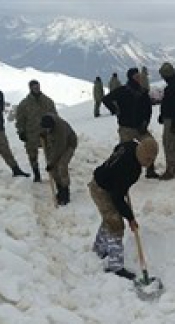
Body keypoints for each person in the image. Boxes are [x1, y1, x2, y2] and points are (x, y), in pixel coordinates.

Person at [89, 138, 159, 280]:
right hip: (100, 189)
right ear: (142, 153)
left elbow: (118, 147)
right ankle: (115, 266)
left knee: (109, 218)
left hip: (106, 183)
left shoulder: (131, 146)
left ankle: (99, 249)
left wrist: (119, 181)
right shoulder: (131, 169)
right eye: (148, 159)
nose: (150, 163)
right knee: (116, 224)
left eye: (153, 160)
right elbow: (117, 198)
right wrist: (130, 218)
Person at [102, 68, 159, 178]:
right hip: (126, 128)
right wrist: (115, 110)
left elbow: (148, 110)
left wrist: (145, 123)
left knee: (150, 145)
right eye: (136, 76)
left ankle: (150, 170)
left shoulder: (143, 92)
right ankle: (123, 172)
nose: (138, 78)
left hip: (140, 127)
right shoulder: (122, 91)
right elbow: (106, 99)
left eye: (139, 76)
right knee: (124, 151)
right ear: (131, 77)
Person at [15, 79, 57, 182]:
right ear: (30, 88)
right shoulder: (24, 104)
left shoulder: (48, 101)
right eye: (34, 87)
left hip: (46, 133)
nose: (36, 89)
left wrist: (54, 129)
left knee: (51, 154)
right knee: (32, 155)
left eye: (37, 86)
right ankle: (36, 174)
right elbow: (20, 119)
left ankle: (53, 173)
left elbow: (55, 117)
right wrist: (21, 132)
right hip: (31, 134)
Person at [40, 113, 77, 205]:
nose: (47, 130)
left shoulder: (60, 130)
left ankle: (65, 193)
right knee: (53, 169)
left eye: (48, 128)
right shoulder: (46, 120)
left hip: (68, 144)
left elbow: (59, 149)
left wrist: (51, 163)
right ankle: (59, 189)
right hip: (54, 144)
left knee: (61, 165)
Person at [157, 62, 175, 180]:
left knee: (169, 144)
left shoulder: (173, 88)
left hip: (172, 119)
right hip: (173, 118)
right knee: (173, 142)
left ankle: (171, 169)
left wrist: (172, 121)